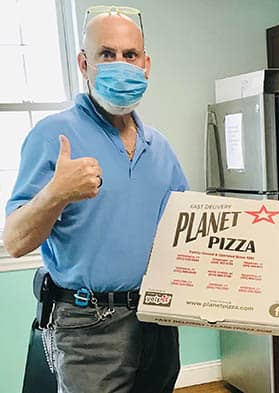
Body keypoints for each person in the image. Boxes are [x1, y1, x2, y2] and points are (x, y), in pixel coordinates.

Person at [4, 8, 187, 393]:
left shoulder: (160, 147)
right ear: (84, 64)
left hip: (157, 318)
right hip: (89, 325)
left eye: (130, 55)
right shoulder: (53, 135)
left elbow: (189, 232)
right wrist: (57, 193)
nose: (120, 64)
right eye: (106, 54)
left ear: (146, 64)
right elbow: (15, 241)